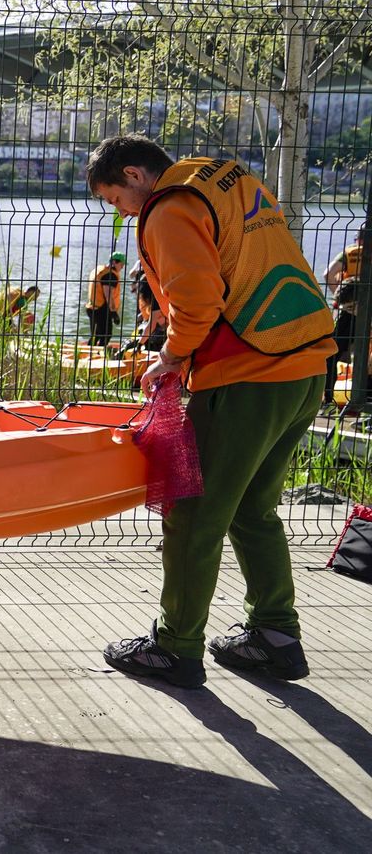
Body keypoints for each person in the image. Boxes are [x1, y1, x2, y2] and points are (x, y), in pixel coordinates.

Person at [87, 133, 334, 688]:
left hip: (245, 376)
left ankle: (175, 647)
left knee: (193, 514)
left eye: (115, 201)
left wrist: (170, 358)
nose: (122, 214)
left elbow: (198, 301)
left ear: (133, 175)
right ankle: (275, 637)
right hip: (305, 364)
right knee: (252, 507)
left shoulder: (168, 208)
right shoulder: (224, 177)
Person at [321, 228, 364, 405]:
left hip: (348, 310)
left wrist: (339, 296)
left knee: (332, 352)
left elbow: (328, 274)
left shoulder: (348, 253)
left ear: (358, 239)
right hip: (368, 309)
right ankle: (364, 396)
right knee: (365, 355)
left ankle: (329, 397)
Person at [85, 251, 126, 346]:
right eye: (121, 264)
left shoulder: (100, 269)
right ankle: (99, 353)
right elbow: (108, 294)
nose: (123, 267)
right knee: (106, 334)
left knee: (96, 334)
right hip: (101, 310)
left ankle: (93, 351)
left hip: (92, 307)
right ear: (114, 262)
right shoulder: (110, 275)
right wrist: (114, 312)